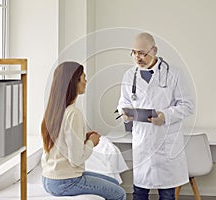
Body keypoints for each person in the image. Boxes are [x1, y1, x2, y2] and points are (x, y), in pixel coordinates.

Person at [118, 33, 195, 200]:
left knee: (167, 195)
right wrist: (124, 113)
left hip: (166, 143)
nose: (138, 57)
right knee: (139, 193)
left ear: (155, 50)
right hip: (142, 144)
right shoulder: (129, 76)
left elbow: (188, 106)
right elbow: (122, 103)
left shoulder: (174, 73)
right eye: (134, 53)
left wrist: (165, 116)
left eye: (142, 53)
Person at [41, 62, 126, 200]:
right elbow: (76, 160)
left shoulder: (53, 110)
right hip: (66, 181)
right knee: (119, 193)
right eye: (84, 78)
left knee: (114, 183)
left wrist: (83, 138)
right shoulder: (73, 113)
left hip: (49, 179)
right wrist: (91, 143)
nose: (86, 82)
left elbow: (62, 141)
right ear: (74, 82)